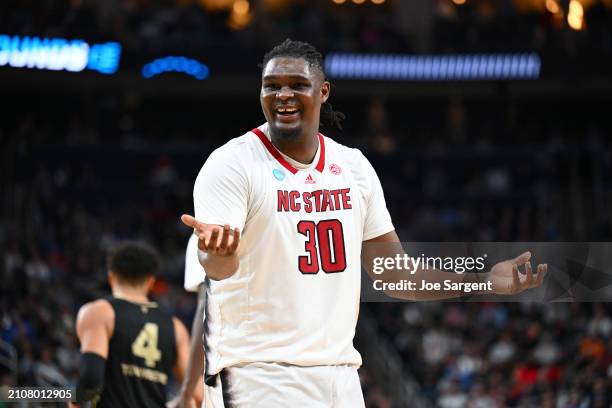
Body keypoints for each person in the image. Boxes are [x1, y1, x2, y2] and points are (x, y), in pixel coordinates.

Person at [180, 39, 547, 407]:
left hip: (340, 376)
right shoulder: (230, 165)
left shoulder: (354, 167)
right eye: (271, 85)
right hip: (257, 374)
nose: (283, 95)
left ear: (323, 92)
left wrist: (485, 281)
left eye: (297, 84)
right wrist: (216, 254)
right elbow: (218, 268)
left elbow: (395, 273)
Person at [71, 241, 191, 407]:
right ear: (150, 282)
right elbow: (195, 394)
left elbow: (90, 379)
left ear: (111, 277)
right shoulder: (176, 327)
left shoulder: (99, 312)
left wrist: (73, 403)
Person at [166, 235, 206, 408]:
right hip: (294, 371)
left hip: (243, 379)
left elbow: (207, 310)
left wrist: (187, 392)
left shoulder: (203, 236)